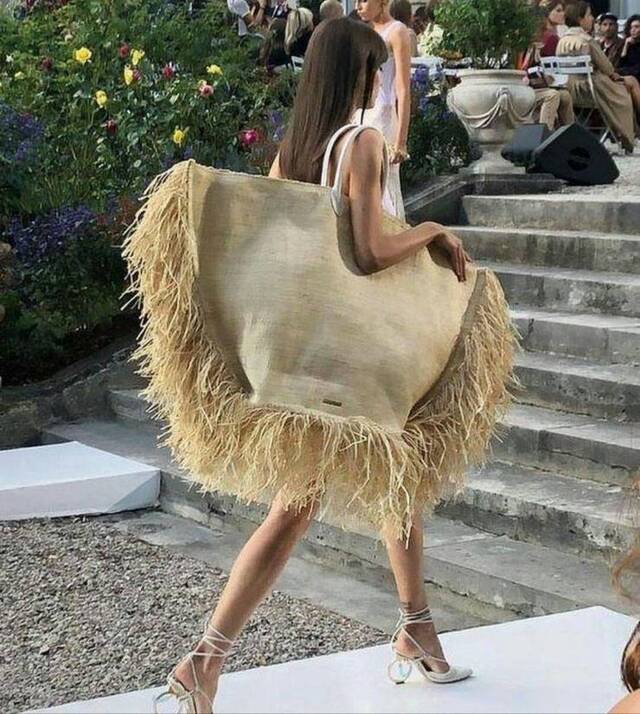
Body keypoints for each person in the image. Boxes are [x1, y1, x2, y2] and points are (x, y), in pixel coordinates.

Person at [152, 18, 475, 713]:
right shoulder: (361, 142)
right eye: (375, 69)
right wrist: (431, 230)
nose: (380, 82)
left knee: (392, 480)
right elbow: (368, 253)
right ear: (356, 74)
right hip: (357, 349)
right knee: (300, 507)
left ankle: (416, 627)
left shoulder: (292, 149)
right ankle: (204, 660)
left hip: (311, 350)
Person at [356, 0, 413, 220]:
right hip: (359, 114)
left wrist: (401, 141)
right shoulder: (361, 30)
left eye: (364, 0)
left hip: (383, 115)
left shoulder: (397, 31)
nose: (358, 6)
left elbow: (403, 88)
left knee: (383, 179)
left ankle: (388, 230)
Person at [556, 0, 636, 152]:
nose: (592, 18)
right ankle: (627, 138)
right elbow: (607, 67)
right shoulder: (586, 40)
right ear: (580, 19)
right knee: (624, 94)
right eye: (589, 15)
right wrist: (612, 75)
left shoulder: (562, 41)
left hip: (571, 89)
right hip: (592, 89)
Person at [521, 10, 575, 130]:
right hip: (520, 88)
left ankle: (570, 134)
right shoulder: (520, 44)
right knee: (552, 95)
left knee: (565, 96)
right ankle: (544, 135)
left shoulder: (539, 44)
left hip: (536, 86)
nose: (543, 32)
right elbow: (521, 70)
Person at [620, 15, 640, 82]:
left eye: (636, 27)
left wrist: (621, 72)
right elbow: (621, 64)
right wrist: (626, 46)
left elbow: (637, 69)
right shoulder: (628, 44)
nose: (633, 30)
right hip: (627, 78)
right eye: (631, 27)